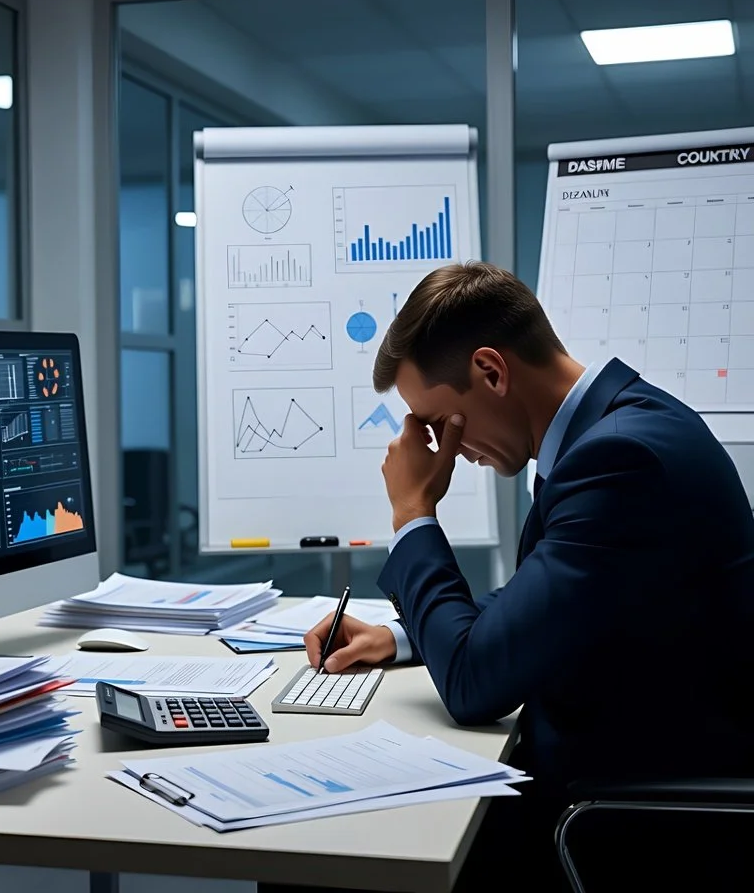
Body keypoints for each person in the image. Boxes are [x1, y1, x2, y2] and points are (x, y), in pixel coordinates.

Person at [303, 262, 754, 891]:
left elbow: (472, 684)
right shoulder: (611, 428)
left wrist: (412, 513)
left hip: (619, 819)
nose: (447, 450)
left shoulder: (621, 460)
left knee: (326, 857)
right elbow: (546, 598)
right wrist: (401, 637)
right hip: (604, 775)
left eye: (438, 422)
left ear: (490, 371)